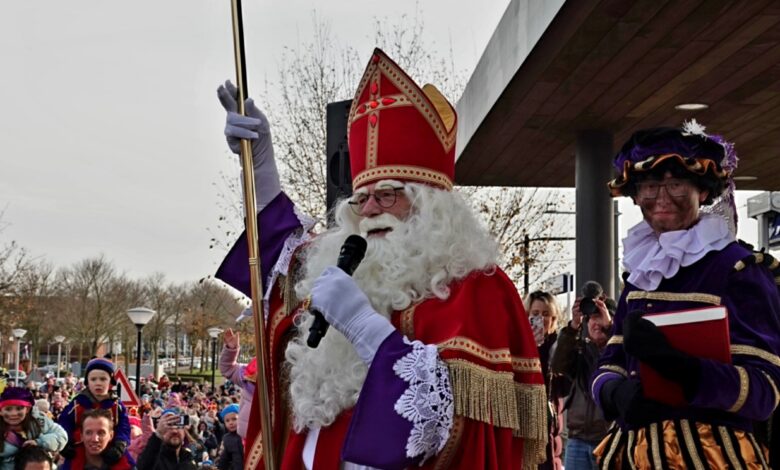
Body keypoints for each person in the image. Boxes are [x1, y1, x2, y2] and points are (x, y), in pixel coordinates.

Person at [215, 48, 547, 469]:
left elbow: (463, 430)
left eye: (387, 194)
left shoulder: (477, 286)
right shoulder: (345, 266)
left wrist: (363, 327)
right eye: (361, 198)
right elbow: (284, 266)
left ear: (431, 206)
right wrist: (261, 170)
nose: (370, 210)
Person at [591, 123, 780, 468]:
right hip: (634, 455)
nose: (661, 198)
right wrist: (614, 393)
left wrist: (687, 371)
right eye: (649, 186)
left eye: (675, 184)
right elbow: (611, 361)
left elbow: (765, 390)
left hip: (713, 456)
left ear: (702, 193)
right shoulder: (639, 273)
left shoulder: (737, 269)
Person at [550, 291, 614, 470]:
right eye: (591, 318)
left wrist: (610, 329)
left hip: (608, 439)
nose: (595, 323)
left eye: (599, 316)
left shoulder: (618, 349)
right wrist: (573, 326)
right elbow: (557, 366)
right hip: (577, 440)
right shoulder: (580, 350)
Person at [58, 358, 132, 470]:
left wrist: (120, 444)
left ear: (110, 381)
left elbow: (124, 427)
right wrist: (65, 443)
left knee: (128, 465)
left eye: (103, 379)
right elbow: (64, 423)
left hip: (110, 447)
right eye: (93, 379)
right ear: (87, 381)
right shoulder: (77, 403)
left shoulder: (117, 405)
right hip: (81, 447)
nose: (98, 383)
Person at [524, 291, 567, 470]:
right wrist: (530, 348)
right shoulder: (518, 347)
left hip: (550, 428)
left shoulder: (559, 345)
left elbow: (565, 387)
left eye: (546, 314)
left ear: (553, 318)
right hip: (526, 428)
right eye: (535, 314)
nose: (540, 319)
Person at [0, 387, 67, 470]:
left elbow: (61, 435)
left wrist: (39, 442)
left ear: (27, 409)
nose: (14, 413)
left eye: (19, 408)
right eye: (8, 409)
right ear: (1, 411)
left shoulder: (39, 422)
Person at [67, 408, 133, 469]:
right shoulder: (68, 466)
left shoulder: (128, 466)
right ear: (81, 436)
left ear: (111, 435)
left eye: (101, 433)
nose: (95, 439)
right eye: (88, 433)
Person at [215, 404, 242, 470]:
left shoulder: (245, 434)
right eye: (227, 421)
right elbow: (224, 458)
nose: (231, 423)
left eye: (234, 419)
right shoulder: (226, 438)